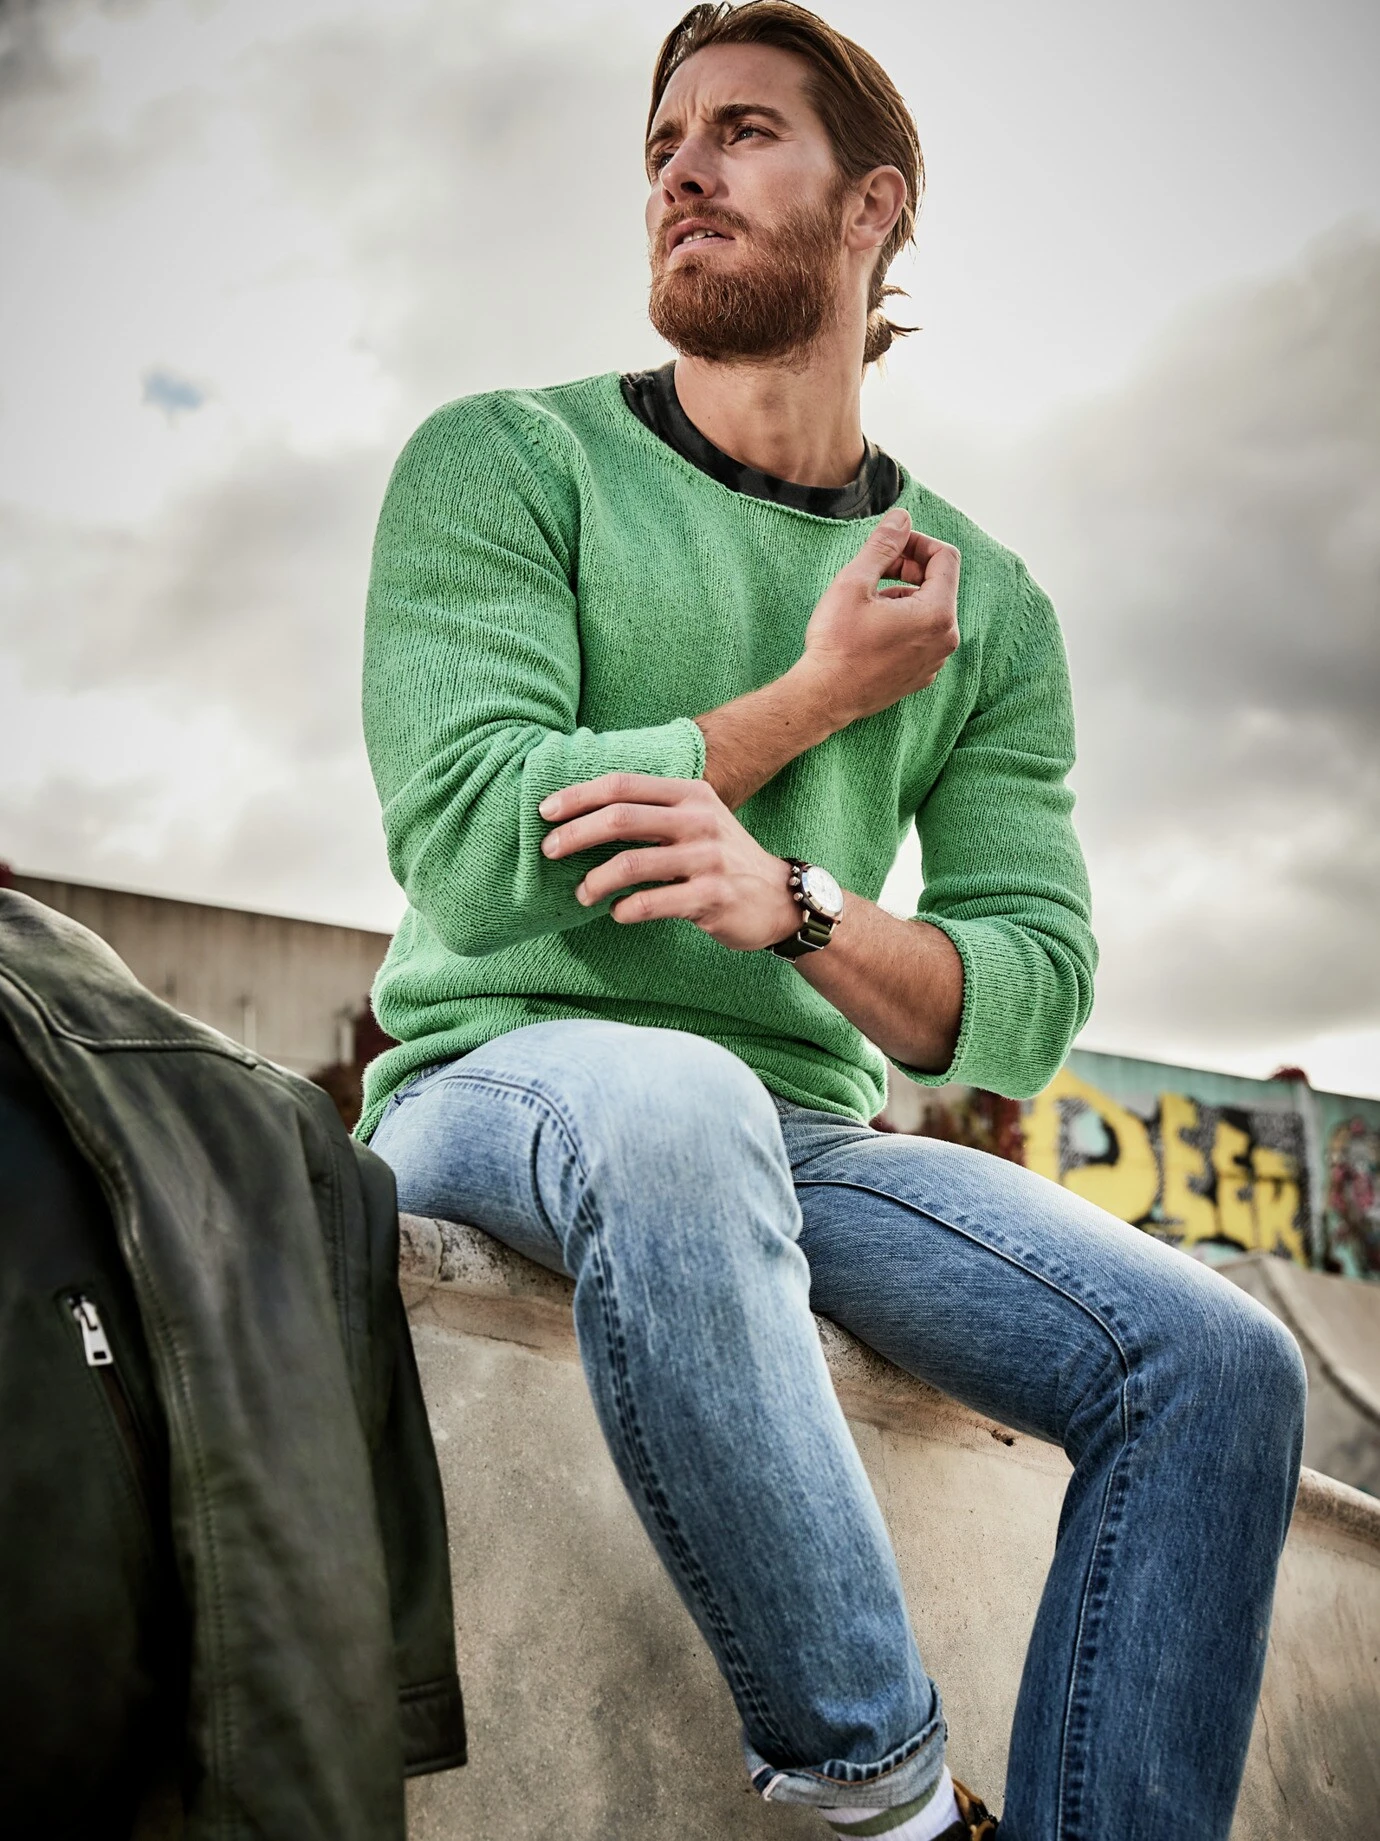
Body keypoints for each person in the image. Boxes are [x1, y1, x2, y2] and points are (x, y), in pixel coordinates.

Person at [358, 5, 1306, 1836]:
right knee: (676, 1101)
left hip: (804, 1136)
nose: (681, 173)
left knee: (1216, 1364)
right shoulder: (506, 461)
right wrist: (811, 701)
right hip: (498, 1080)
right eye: (662, 145)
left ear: (871, 209)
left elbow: (1021, 998)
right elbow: (473, 835)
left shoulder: (981, 602)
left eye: (741, 133)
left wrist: (797, 906)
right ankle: (888, 1798)